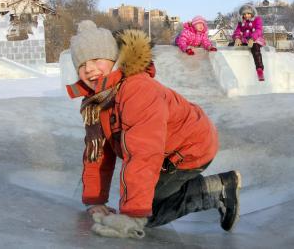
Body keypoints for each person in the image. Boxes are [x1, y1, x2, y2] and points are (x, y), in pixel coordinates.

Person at [66, 20, 241, 239]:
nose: (89, 69)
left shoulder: (137, 89)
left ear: (113, 60)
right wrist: (96, 200)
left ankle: (218, 189)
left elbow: (143, 153)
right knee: (142, 198)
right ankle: (185, 189)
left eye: (96, 60)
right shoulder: (97, 101)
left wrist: (133, 214)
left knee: (148, 213)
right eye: (82, 65)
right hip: (166, 149)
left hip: (191, 146)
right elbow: (97, 152)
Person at [230, 4, 266, 81]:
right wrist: (237, 38)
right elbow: (237, 31)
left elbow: (259, 30)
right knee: (231, 45)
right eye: (244, 14)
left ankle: (259, 69)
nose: (246, 16)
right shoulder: (241, 22)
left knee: (255, 48)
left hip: (256, 39)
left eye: (248, 13)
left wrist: (252, 39)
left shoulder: (257, 19)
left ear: (252, 13)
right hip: (244, 40)